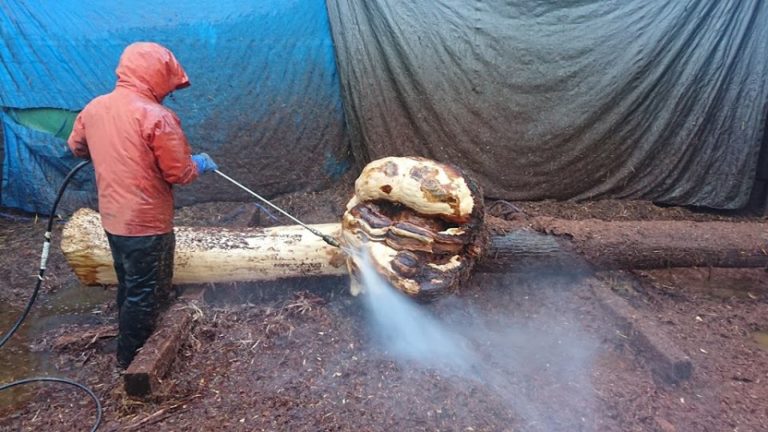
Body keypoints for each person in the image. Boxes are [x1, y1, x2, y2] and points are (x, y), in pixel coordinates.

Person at [67, 42, 218, 368]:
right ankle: (132, 362)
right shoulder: (156, 116)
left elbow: (77, 147)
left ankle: (139, 333)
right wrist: (199, 164)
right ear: (156, 76)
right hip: (146, 223)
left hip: (113, 218)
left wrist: (108, 147)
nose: (169, 92)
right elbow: (178, 172)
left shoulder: (94, 108)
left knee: (131, 281)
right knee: (143, 291)